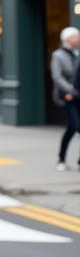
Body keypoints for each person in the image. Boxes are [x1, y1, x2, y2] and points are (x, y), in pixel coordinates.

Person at [51, 26, 80, 171]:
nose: (78, 39)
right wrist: (70, 90)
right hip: (67, 97)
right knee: (73, 126)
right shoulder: (58, 55)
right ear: (68, 39)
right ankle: (61, 159)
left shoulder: (78, 53)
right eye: (76, 36)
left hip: (78, 95)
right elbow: (57, 76)